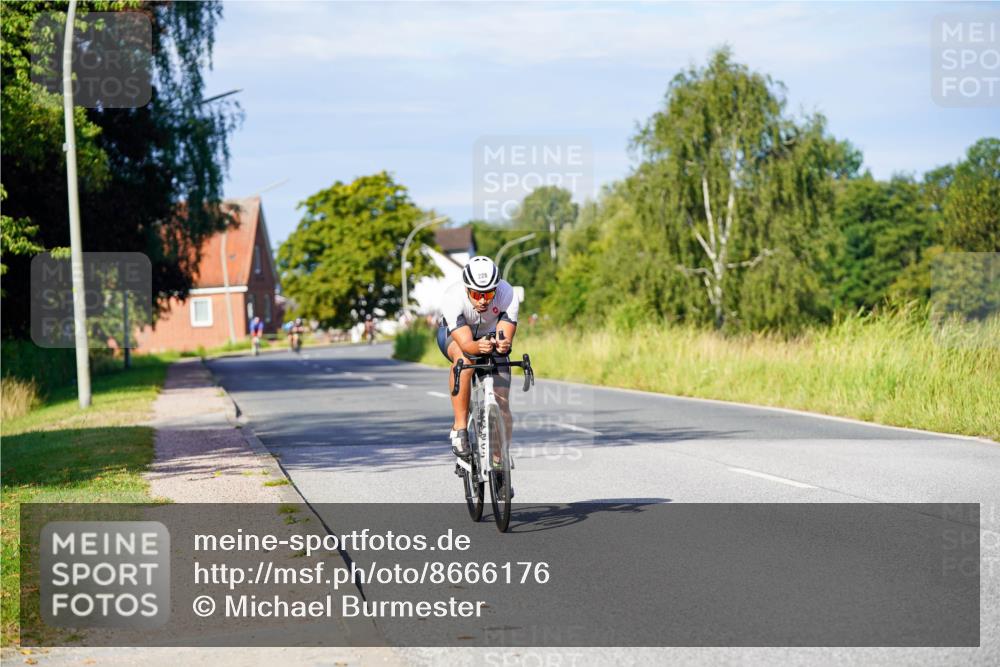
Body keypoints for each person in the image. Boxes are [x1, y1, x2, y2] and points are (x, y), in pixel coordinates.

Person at [437, 256, 519, 461]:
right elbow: (467, 344)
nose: (482, 300)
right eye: (476, 294)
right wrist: (476, 346)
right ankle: (460, 429)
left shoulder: (507, 293)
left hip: (490, 334)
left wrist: (503, 344)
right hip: (456, 336)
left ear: (496, 288)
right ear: (466, 289)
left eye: (489, 293)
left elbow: (505, 335)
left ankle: (500, 461)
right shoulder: (452, 297)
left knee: (503, 402)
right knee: (465, 360)